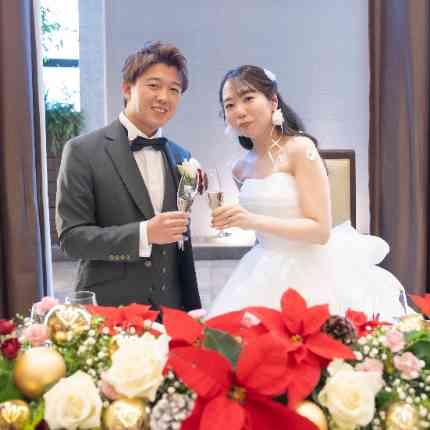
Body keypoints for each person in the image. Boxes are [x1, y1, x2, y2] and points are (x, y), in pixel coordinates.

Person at [208, 65, 408, 320]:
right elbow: (261, 235)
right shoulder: (240, 168)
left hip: (312, 267)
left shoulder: (300, 149)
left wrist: (251, 220)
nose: (239, 111)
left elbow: (320, 231)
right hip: (261, 268)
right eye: (229, 105)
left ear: (273, 101)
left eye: (248, 98)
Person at [56, 41, 201, 310]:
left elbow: (180, 241)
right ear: (127, 88)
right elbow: (72, 239)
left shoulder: (183, 157)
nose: (164, 97)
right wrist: (144, 233)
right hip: (110, 309)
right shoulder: (82, 151)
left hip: (171, 310)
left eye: (174, 89)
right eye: (154, 85)